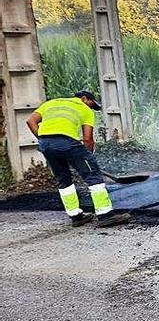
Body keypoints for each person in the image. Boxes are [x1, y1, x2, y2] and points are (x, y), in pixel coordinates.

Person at [25, 91, 131, 227]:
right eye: (91, 104)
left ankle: (76, 216)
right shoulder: (84, 109)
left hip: (46, 144)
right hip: (67, 142)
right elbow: (87, 139)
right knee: (93, 175)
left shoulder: (51, 103)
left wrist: (44, 140)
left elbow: (31, 121)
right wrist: (87, 158)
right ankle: (105, 215)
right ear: (84, 98)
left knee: (63, 179)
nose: (91, 108)